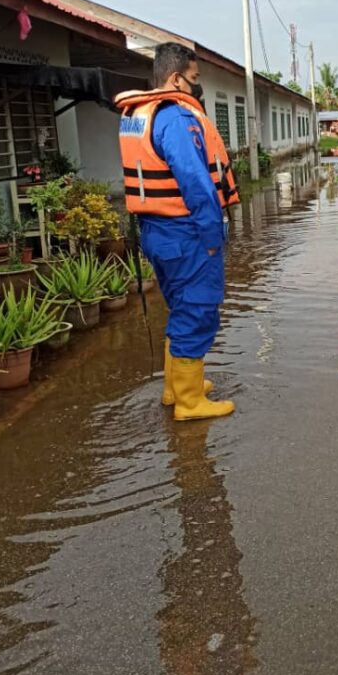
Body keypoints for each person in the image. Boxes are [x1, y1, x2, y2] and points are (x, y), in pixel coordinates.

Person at [114, 42, 240, 421]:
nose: (195, 86)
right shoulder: (174, 117)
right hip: (186, 231)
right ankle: (189, 402)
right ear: (175, 78)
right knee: (198, 309)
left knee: (180, 306)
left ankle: (177, 387)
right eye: (194, 79)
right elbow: (195, 181)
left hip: (156, 230)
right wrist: (213, 236)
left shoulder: (137, 114)